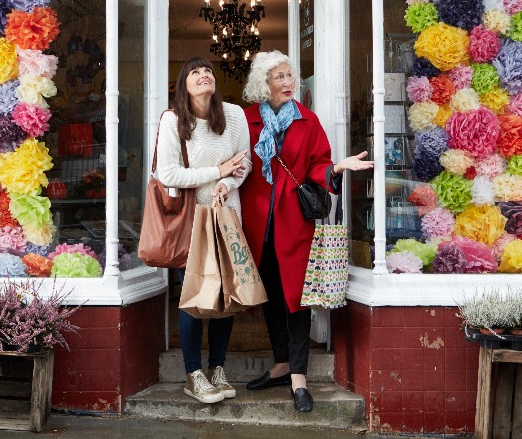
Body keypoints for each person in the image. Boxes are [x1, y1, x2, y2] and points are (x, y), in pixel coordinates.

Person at [239, 51, 373, 413]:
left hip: (293, 222)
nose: (287, 82)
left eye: (289, 76)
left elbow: (318, 163)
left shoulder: (307, 120)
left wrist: (336, 168)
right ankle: (281, 363)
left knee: (294, 298)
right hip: (255, 222)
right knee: (268, 295)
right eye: (278, 77)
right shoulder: (246, 120)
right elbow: (237, 164)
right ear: (263, 84)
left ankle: (298, 377)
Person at [154, 57, 252, 404]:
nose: (203, 75)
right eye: (194, 72)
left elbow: (245, 164)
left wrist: (227, 180)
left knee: (226, 293)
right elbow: (168, 174)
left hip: (227, 214)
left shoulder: (235, 115)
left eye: (207, 70)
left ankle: (218, 368)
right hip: (191, 220)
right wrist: (217, 170)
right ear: (184, 84)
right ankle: (193, 373)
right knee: (193, 294)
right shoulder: (173, 120)